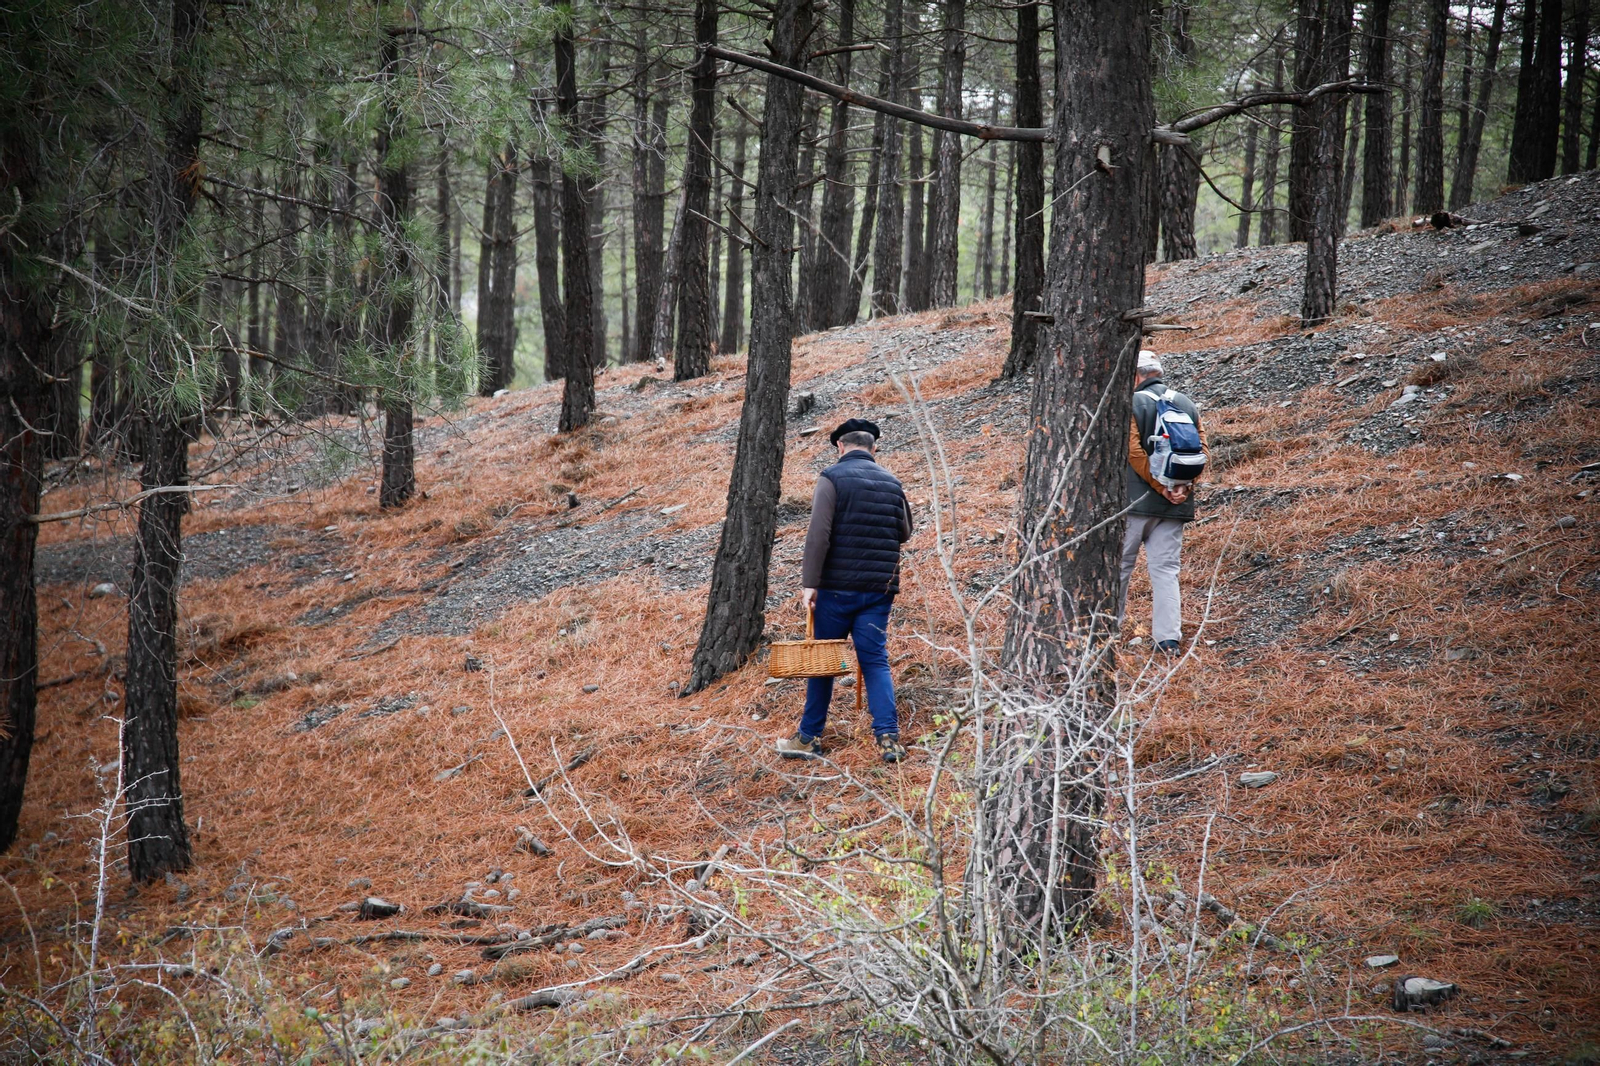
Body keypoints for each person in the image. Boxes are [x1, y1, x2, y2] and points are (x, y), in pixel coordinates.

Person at [777, 418, 914, 763]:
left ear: (840, 446)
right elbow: (905, 532)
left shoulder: (831, 477)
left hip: (836, 590)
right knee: (875, 661)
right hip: (879, 589)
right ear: (874, 448)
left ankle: (808, 738)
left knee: (822, 662)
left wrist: (809, 583)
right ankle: (888, 738)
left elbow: (818, 535)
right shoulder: (892, 483)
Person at [1120, 350, 1206, 656]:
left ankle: (1105, 632)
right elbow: (1201, 452)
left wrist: (1159, 487)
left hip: (1134, 504)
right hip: (1175, 507)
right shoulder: (1186, 403)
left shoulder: (1130, 403)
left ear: (1137, 375)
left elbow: (1132, 452)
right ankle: (1168, 640)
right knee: (1166, 571)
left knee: (1120, 568)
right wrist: (1180, 487)